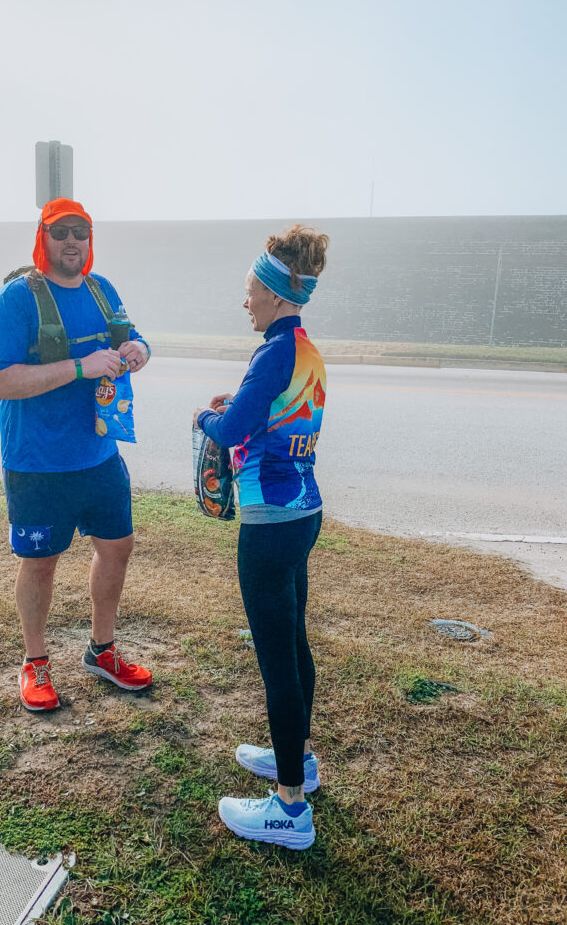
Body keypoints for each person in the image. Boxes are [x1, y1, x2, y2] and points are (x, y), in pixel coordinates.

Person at [0, 197, 152, 713]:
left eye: (81, 231)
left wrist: (139, 351)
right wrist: (79, 367)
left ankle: (101, 651)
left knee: (117, 547)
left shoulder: (103, 290)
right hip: (37, 462)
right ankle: (35, 663)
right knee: (40, 564)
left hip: (100, 455)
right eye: (61, 232)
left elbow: (132, 336)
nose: (72, 241)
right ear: (43, 237)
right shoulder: (17, 299)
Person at [194, 224, 329, 850]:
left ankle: (289, 810)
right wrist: (237, 410)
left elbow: (227, 432)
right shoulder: (304, 350)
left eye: (250, 291)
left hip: (270, 525)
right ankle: (297, 759)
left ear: (275, 295)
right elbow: (271, 418)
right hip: (302, 512)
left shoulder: (272, 353)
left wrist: (205, 415)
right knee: (294, 640)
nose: (244, 300)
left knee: (278, 660)